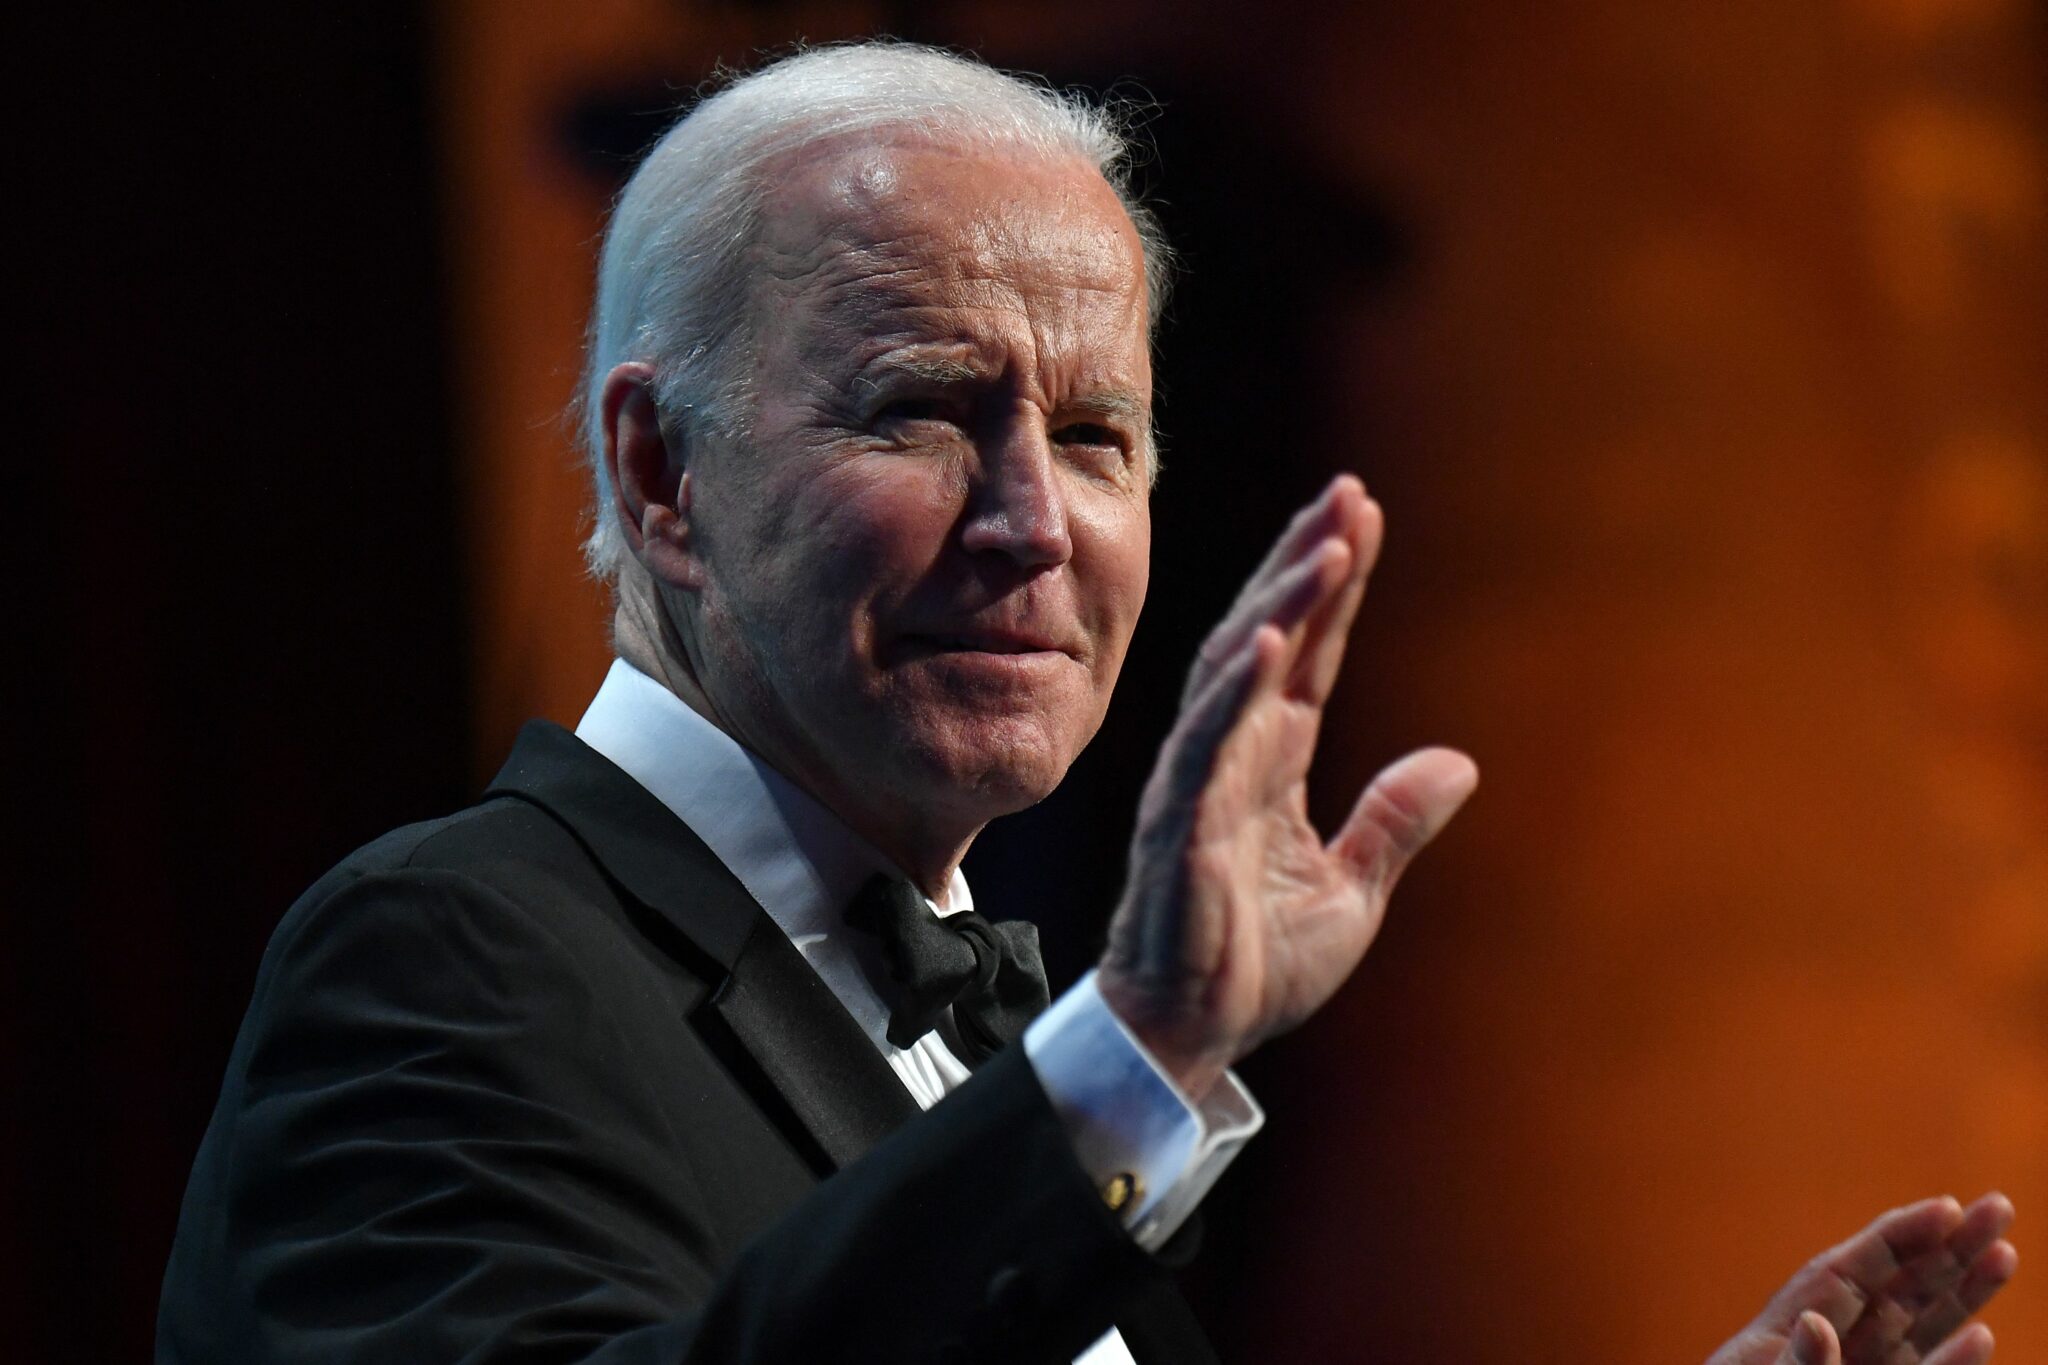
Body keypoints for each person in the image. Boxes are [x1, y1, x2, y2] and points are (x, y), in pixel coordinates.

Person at [158, 42, 2017, 1365]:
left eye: (1096, 435)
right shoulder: (445, 951)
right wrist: (1130, 1052)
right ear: (663, 474)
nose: (1036, 526)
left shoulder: (1006, 1056)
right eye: (921, 409)